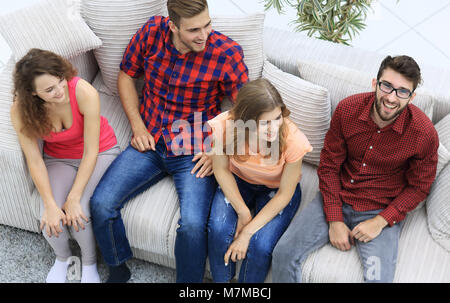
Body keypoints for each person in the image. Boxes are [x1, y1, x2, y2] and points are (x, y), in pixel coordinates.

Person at [89, 0, 249, 283]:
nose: (204, 35)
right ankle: (117, 269)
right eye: (194, 30)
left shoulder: (226, 53)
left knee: (192, 225)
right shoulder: (152, 32)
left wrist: (219, 151)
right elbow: (127, 75)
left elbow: (247, 111)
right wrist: (137, 126)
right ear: (173, 25)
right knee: (101, 203)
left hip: (193, 148)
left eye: (208, 24)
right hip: (149, 141)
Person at [272, 55, 439, 283]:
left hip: (380, 209)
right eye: (387, 86)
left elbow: (419, 188)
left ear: (411, 97)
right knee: (283, 253)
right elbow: (329, 166)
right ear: (375, 83)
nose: (391, 97)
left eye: (402, 91)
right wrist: (334, 219)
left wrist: (380, 221)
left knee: (378, 279)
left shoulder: (423, 133)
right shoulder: (348, 110)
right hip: (337, 196)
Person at [10, 48, 120, 283]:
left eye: (60, 81)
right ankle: (64, 258)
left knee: (79, 212)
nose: (60, 91)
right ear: (32, 93)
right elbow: (35, 159)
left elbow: (91, 151)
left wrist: (74, 196)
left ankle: (89, 265)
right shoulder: (21, 110)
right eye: (49, 90)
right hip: (58, 158)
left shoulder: (84, 92)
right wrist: (50, 203)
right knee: (47, 215)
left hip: (100, 151)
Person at [206, 79, 312, 282]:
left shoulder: (294, 140)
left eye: (277, 118)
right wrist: (243, 212)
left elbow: (285, 194)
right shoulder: (225, 126)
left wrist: (247, 232)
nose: (274, 127)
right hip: (238, 179)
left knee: (260, 246)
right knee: (218, 230)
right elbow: (221, 170)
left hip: (276, 190)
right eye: (265, 123)